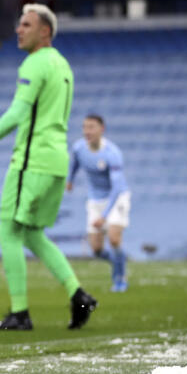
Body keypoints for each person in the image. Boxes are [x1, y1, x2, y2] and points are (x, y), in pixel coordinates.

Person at [0, 4, 97, 331]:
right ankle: (77, 293)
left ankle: (20, 313)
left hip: (32, 160)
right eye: (19, 24)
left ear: (45, 31)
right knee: (32, 233)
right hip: (56, 160)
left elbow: (18, 113)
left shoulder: (35, 62)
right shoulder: (62, 64)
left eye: (26, 25)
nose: (18, 30)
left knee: (7, 231)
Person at [68, 114, 130, 292]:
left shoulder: (112, 153)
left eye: (92, 127)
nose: (87, 131)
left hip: (116, 198)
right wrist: (70, 180)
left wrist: (104, 217)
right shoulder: (79, 148)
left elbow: (117, 188)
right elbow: (75, 164)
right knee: (96, 249)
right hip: (95, 200)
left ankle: (120, 279)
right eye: (85, 127)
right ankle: (119, 260)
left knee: (114, 239)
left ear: (101, 129)